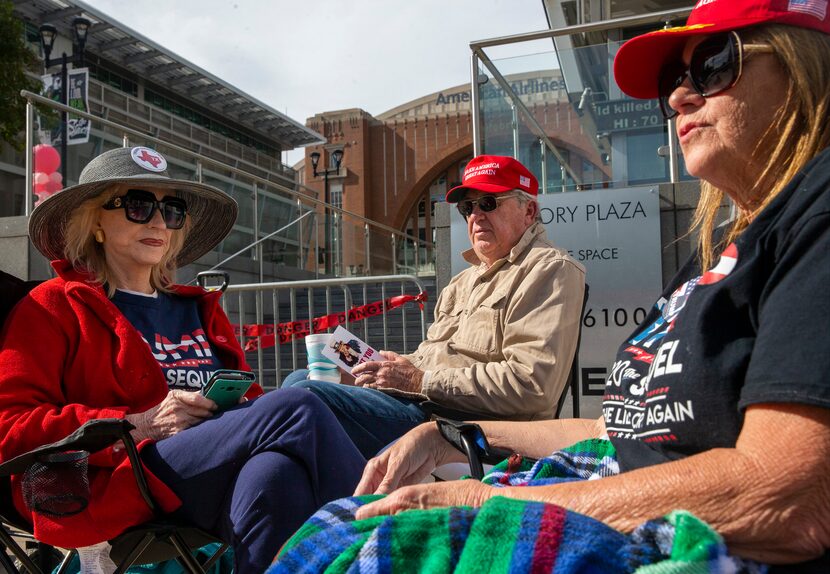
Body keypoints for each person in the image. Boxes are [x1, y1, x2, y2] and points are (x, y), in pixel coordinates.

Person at [272, 0, 830, 571]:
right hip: (549, 454)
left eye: (714, 65)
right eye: (673, 78)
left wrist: (492, 497)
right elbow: (617, 429)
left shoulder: (811, 218)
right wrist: (448, 428)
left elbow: (786, 495)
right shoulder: (718, 251)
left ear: (804, 65)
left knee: (304, 416)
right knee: (308, 480)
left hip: (639, 512)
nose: (679, 97)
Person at [0, 146, 365, 573]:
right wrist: (137, 422)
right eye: (138, 205)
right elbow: (9, 427)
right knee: (298, 405)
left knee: (275, 476)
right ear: (95, 221)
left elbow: (251, 403)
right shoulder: (52, 306)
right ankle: (402, 534)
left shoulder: (199, 308)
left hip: (209, 470)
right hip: (122, 474)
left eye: (172, 210)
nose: (158, 221)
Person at [284, 154, 586, 457]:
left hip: (469, 430)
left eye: (489, 203)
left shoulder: (548, 269)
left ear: (529, 211)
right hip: (427, 409)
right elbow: (435, 357)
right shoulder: (463, 281)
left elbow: (530, 384)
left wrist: (418, 380)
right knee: (299, 380)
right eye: (468, 207)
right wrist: (386, 367)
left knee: (303, 396)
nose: (476, 216)